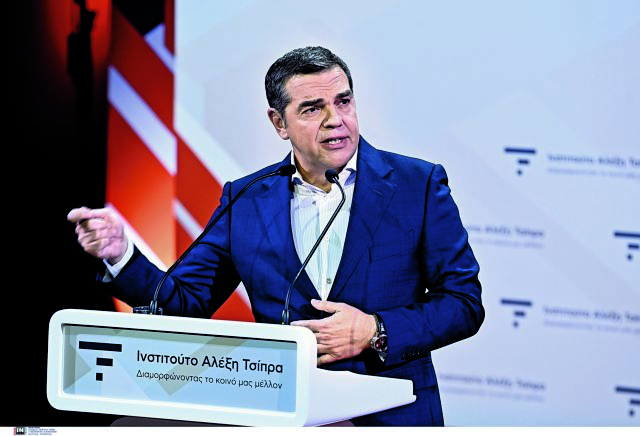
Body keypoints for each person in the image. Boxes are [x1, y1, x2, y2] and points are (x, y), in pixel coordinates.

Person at [68, 46, 484, 426]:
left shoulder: (417, 184)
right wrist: (121, 255)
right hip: (282, 413)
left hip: (390, 415)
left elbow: (463, 302)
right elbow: (182, 302)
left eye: (343, 101)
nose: (335, 119)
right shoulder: (246, 198)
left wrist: (375, 329)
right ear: (279, 123)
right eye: (312, 109)